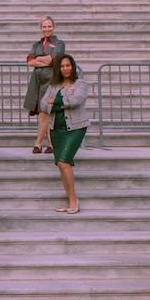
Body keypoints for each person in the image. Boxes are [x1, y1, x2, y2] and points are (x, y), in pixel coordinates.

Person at [41, 54, 90, 214]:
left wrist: (54, 102)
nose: (65, 68)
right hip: (56, 129)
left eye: (68, 65)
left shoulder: (80, 83)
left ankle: (74, 200)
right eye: (62, 66)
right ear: (58, 69)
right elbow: (43, 105)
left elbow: (76, 100)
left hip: (75, 128)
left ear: (72, 66)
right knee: (62, 166)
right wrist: (61, 103)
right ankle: (70, 201)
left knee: (64, 162)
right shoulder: (53, 85)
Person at [23, 16, 65, 154]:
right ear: (41, 28)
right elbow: (29, 60)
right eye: (44, 27)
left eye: (49, 26)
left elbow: (55, 59)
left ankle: (38, 143)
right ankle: (51, 144)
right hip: (37, 82)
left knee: (45, 114)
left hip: (51, 82)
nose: (47, 29)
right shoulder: (36, 44)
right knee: (44, 114)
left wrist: (39, 59)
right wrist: (45, 60)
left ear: (53, 27)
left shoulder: (59, 43)